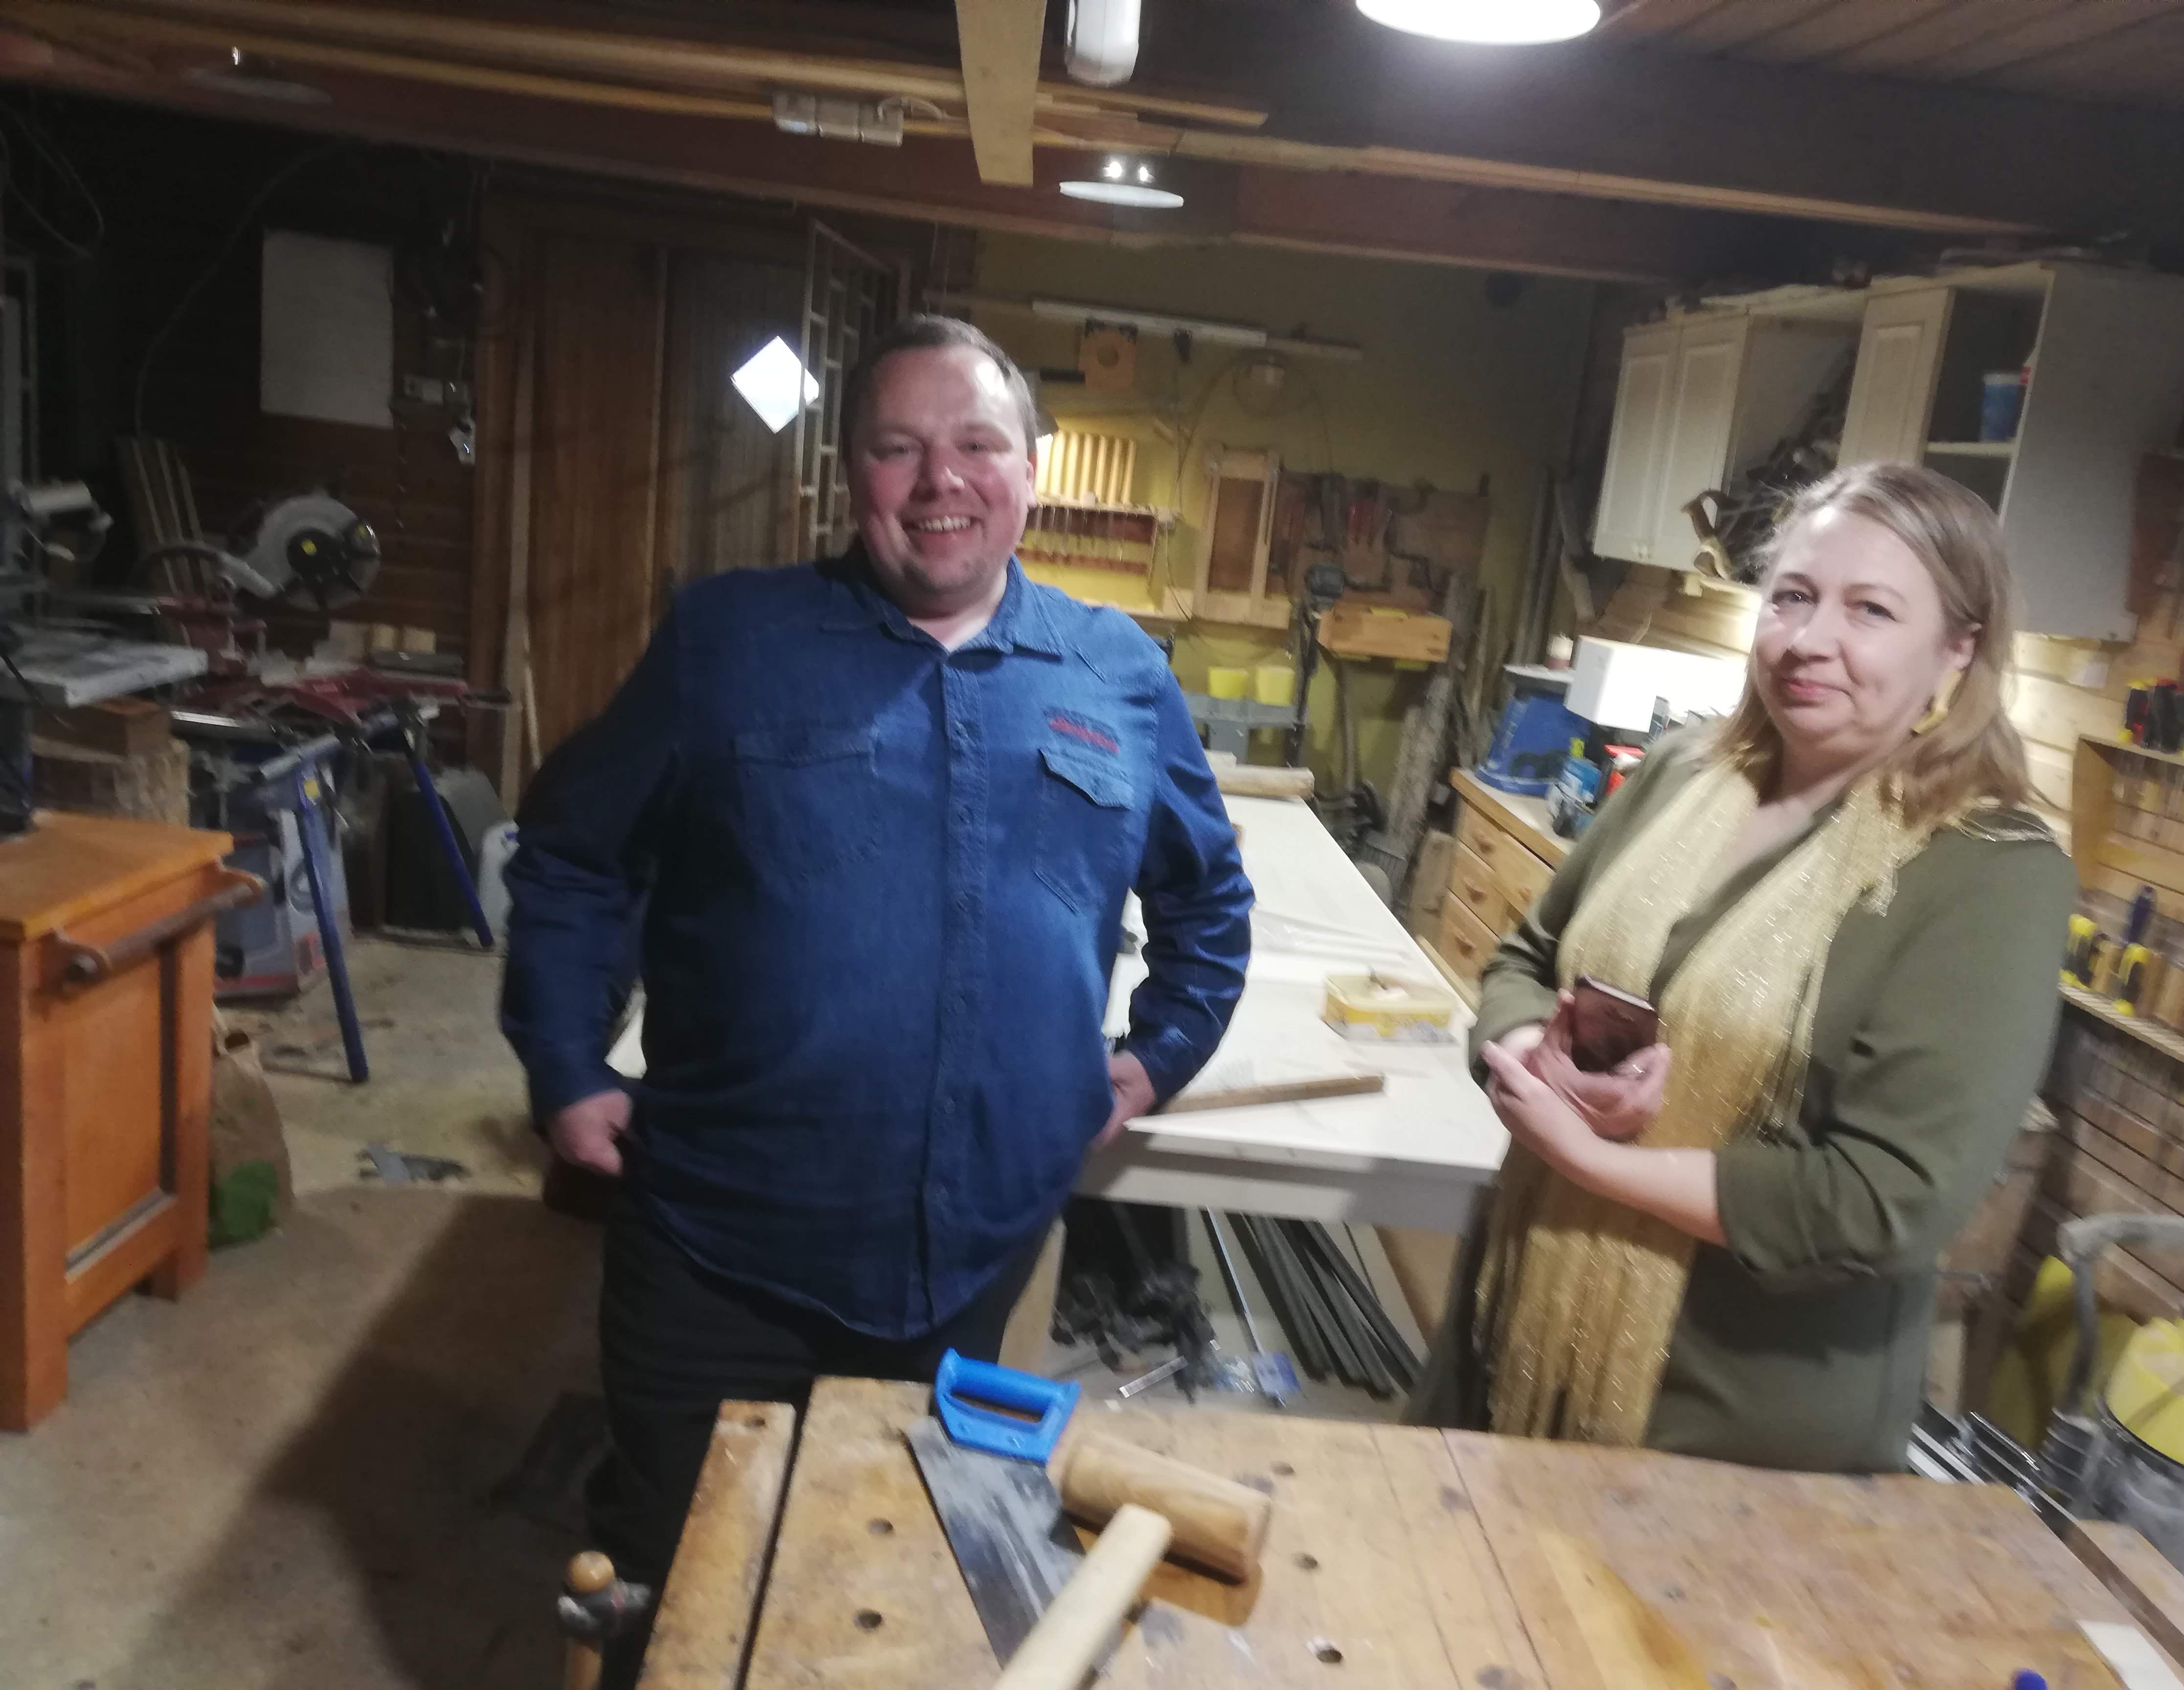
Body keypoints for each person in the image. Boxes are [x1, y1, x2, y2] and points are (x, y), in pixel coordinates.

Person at [500, 314, 1253, 1648]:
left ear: (1031, 469)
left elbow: (1208, 900)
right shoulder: (730, 642)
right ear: (850, 474)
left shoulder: (1118, 672)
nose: (940, 480)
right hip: (718, 1252)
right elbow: (575, 854)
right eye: (898, 448)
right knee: (678, 1596)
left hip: (969, 1268)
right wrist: (564, 1063)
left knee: (882, 1584)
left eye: (977, 445)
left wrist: (1156, 1055)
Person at [1414, 462, 2075, 1472]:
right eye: (1793, 596)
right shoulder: (1683, 772)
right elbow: (1526, 957)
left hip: (1726, 1423)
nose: (1810, 639)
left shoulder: (1989, 873)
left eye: (1871, 610)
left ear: (1959, 648)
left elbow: (1885, 1202)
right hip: (1514, 1317)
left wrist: (1595, 1163)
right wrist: (1537, 1052)